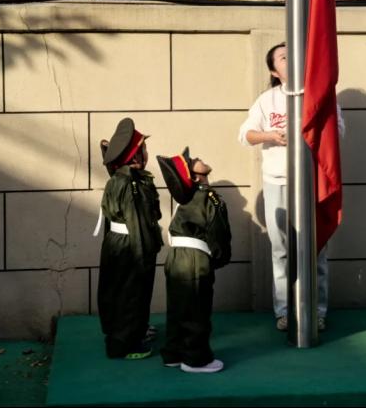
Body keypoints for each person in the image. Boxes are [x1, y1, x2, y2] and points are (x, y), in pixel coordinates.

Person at [238, 42, 344, 332]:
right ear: (274, 71)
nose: (292, 60)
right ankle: (284, 311)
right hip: (278, 182)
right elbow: (245, 135)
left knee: (316, 247)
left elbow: (339, 130)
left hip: (313, 182)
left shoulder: (321, 95)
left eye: (295, 55)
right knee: (281, 249)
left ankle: (317, 310)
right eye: (284, 58)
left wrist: (312, 134)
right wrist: (270, 135)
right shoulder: (267, 100)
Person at [157, 148, 232, 373]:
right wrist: (219, 258)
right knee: (197, 310)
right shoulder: (210, 198)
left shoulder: (185, 198)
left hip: (175, 257)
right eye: (192, 162)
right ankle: (195, 360)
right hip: (194, 259)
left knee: (178, 308)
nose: (198, 158)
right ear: (195, 177)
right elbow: (219, 234)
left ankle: (173, 353)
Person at [97, 118, 163, 360]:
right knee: (131, 294)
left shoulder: (119, 178)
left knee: (117, 292)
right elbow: (137, 222)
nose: (146, 152)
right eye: (143, 148)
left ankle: (133, 331)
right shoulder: (131, 184)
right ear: (135, 154)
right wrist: (143, 256)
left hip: (117, 244)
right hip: (133, 245)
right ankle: (125, 345)